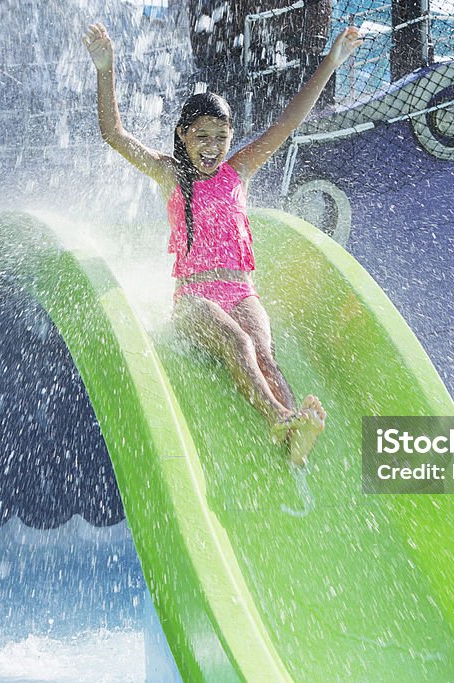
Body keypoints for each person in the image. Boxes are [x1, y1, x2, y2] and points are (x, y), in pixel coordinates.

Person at [83, 21, 361, 465]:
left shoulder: (239, 170)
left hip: (240, 290)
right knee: (239, 345)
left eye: (221, 136)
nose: (212, 147)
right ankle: (278, 418)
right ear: (182, 137)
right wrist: (105, 68)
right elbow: (114, 135)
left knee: (265, 353)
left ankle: (295, 435)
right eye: (201, 137)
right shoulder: (169, 174)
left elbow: (289, 121)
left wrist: (332, 61)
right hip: (193, 299)